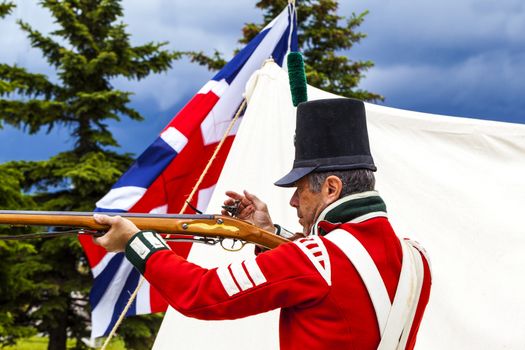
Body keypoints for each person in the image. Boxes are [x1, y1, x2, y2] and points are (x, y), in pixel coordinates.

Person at [94, 98, 431, 349]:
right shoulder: (416, 259)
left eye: (300, 190)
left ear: (331, 188)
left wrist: (135, 242)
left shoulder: (314, 258)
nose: (293, 201)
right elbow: (332, 273)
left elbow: (201, 294)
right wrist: (267, 234)